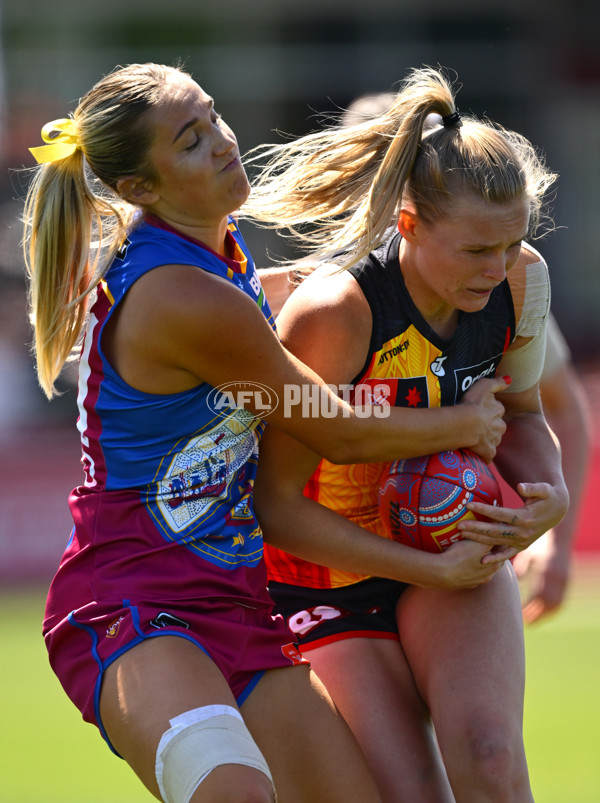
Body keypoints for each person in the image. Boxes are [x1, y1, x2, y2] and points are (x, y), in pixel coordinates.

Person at [23, 62, 513, 803]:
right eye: (191, 141)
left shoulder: (215, 252)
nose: (223, 141)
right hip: (135, 598)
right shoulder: (184, 293)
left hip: (235, 595)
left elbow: (265, 337)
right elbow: (333, 429)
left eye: (213, 116)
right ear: (139, 190)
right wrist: (465, 421)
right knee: (236, 793)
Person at [240, 67, 569, 801]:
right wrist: (420, 567)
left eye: (513, 243)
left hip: (453, 547)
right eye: (477, 250)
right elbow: (277, 503)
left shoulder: (523, 281)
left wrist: (551, 497)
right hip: (326, 573)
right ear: (411, 226)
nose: (500, 266)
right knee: (409, 791)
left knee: (489, 757)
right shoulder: (337, 310)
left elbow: (527, 418)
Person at [513, 313, 592, 622]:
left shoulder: (521, 283)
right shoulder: (356, 287)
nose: (497, 266)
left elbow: (566, 411)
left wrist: (557, 540)